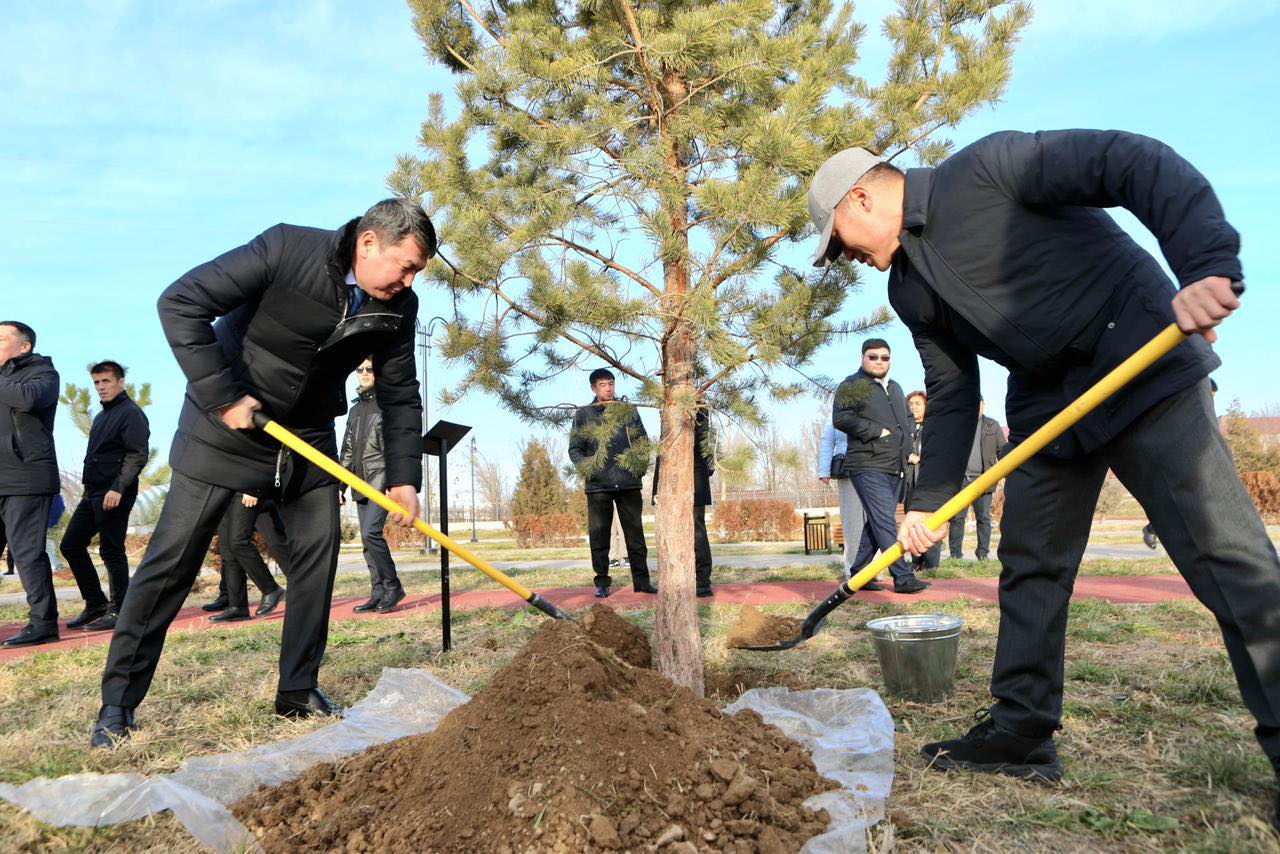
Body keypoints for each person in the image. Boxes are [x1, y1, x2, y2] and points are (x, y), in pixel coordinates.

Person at [808, 131, 1280, 827]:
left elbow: (1132, 163)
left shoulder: (991, 168)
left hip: (1140, 364)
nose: (844, 256)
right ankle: (1021, 733)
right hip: (1050, 406)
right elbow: (953, 389)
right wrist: (930, 503)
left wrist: (1205, 263)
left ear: (861, 198)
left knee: (1228, 559)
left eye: (838, 240)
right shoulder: (907, 288)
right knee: (1031, 564)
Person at [92, 198, 433, 748]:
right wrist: (223, 394)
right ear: (369, 243)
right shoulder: (286, 248)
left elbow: (400, 393)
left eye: (417, 272)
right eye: (407, 266)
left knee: (317, 560)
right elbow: (180, 302)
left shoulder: (399, 306)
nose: (410, 281)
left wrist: (403, 478)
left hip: (307, 440)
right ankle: (118, 704)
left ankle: (297, 689)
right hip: (225, 428)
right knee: (171, 563)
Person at [832, 339, 930, 594]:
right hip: (866, 464)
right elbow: (840, 418)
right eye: (873, 357)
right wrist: (877, 432)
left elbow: (907, 419)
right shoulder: (851, 385)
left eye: (884, 357)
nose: (879, 361)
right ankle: (902, 576)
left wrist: (908, 443)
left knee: (877, 522)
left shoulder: (895, 388)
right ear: (863, 358)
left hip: (895, 466)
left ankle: (859, 575)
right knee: (885, 520)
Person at [61, 361, 151, 633]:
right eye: (97, 382)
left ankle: (119, 610)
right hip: (93, 492)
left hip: (114, 491)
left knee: (111, 550)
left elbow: (137, 455)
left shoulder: (131, 413)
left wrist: (118, 487)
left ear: (121, 382)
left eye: (106, 381)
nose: (101, 387)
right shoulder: (102, 416)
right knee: (71, 545)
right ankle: (96, 603)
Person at [568, 368, 656, 598]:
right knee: (599, 537)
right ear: (593, 388)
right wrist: (590, 468)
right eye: (603, 384)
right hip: (598, 486)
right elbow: (575, 450)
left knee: (635, 536)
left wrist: (638, 467)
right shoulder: (584, 414)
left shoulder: (627, 410)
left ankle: (642, 582)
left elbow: (642, 442)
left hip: (628, 483)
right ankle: (602, 583)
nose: (608, 388)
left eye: (611, 383)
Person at [0, 321, 61, 648]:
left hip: (26, 477)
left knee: (26, 554)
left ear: (24, 346)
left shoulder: (43, 374)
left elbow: (28, 400)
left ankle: (43, 623)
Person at [340, 358, 407, 614]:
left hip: (380, 479)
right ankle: (377, 592)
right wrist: (339, 486)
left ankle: (393, 586)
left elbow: (393, 447)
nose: (365, 373)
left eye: (370, 369)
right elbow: (347, 450)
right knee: (367, 542)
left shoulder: (385, 405)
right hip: (359, 481)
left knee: (371, 533)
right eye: (360, 369)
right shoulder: (355, 410)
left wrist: (394, 481)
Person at [1143, 377, 1217, 550]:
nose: (1211, 399)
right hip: (1174, 457)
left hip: (1190, 459)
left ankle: (1154, 529)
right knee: (1179, 499)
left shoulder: (1202, 410)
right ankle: (1153, 529)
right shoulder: (1180, 407)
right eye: (1211, 395)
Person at [652, 408, 715, 597]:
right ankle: (677, 579)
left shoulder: (698, 407)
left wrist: (705, 466)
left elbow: (705, 441)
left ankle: (702, 581)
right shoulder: (668, 404)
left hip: (694, 473)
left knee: (696, 528)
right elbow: (664, 444)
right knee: (673, 530)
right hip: (671, 474)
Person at [207, 493, 288, 622]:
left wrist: (252, 490)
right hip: (224, 494)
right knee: (228, 551)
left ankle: (271, 589)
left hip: (245, 490)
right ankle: (237, 607)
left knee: (238, 542)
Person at [947, 397, 1003, 561]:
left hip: (984, 480)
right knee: (957, 518)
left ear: (983, 406)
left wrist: (1002, 474)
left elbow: (1002, 450)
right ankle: (955, 555)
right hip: (961, 480)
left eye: (978, 404)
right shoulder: (959, 425)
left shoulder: (992, 425)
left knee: (983, 518)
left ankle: (983, 553)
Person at [818, 419, 871, 584]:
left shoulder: (874, 407)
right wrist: (824, 470)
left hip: (874, 466)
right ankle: (853, 568)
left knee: (875, 519)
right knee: (852, 520)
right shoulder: (837, 415)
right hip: (847, 467)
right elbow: (827, 441)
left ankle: (876, 567)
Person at [903, 391, 941, 573]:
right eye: (910, 404)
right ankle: (916, 561)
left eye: (918, 403)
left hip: (928, 481)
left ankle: (932, 564)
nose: (913, 407)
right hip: (909, 482)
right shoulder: (906, 429)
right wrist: (906, 457)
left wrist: (920, 458)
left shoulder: (934, 427)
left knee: (931, 521)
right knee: (912, 521)